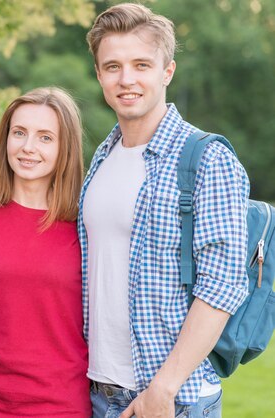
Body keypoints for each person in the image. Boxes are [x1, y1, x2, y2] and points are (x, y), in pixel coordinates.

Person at [80, 4, 249, 418]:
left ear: (167, 71)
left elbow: (223, 285)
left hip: (172, 399)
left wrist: (163, 388)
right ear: (100, 75)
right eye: (113, 66)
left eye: (141, 64)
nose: (127, 79)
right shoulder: (102, 158)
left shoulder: (207, 158)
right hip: (100, 392)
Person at [0, 87, 90, 417]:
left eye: (45, 138)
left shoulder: (87, 223)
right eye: (19, 133)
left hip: (60, 406)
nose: (28, 147)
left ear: (65, 147)